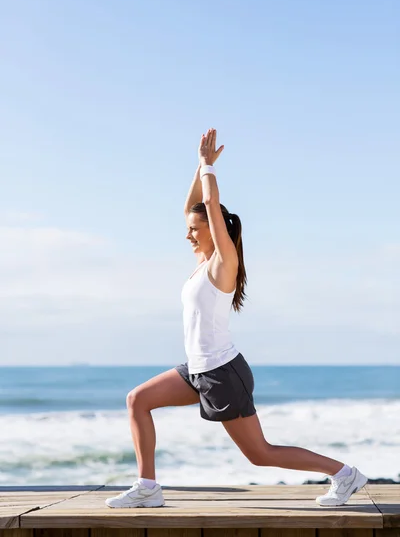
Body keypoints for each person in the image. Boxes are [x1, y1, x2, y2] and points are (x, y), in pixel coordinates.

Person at [106, 128, 368, 509]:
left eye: (195, 231)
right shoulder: (201, 262)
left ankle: (346, 474)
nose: (188, 236)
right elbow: (194, 206)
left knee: (259, 454)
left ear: (215, 232)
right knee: (137, 399)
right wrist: (199, 166)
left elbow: (210, 205)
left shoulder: (223, 264)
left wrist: (209, 168)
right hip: (197, 369)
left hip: (222, 373)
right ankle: (148, 486)